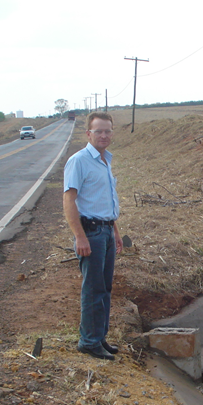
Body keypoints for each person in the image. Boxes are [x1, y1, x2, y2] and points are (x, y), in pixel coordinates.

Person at [63, 112, 124, 360]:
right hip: (91, 233)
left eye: (108, 131)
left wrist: (116, 231)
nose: (104, 135)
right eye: (98, 131)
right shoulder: (78, 161)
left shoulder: (105, 160)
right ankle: (88, 341)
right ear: (88, 134)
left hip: (107, 230)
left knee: (105, 288)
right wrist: (80, 237)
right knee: (93, 289)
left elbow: (106, 200)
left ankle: (99, 338)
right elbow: (69, 200)